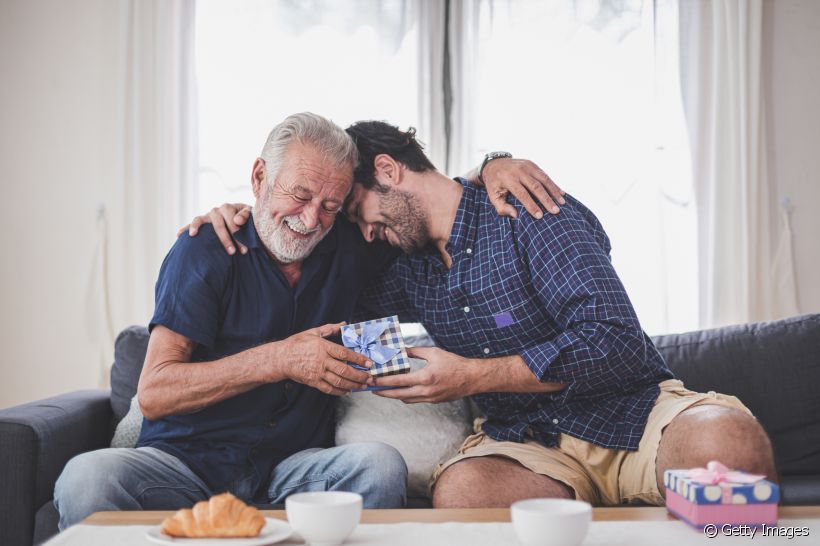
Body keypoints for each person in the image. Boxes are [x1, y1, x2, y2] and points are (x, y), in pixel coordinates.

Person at [202, 120, 777, 509]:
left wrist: (471, 375)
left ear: (390, 169)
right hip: (526, 447)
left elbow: (614, 342)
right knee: (463, 496)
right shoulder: (403, 269)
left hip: (631, 413)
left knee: (730, 448)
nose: (363, 231)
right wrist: (245, 217)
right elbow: (303, 254)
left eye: (358, 210)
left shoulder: (525, 208)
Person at [53, 113, 565, 529]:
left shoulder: (347, 246)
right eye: (298, 195)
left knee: (378, 465)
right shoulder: (205, 250)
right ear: (259, 178)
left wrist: (493, 166)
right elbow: (157, 392)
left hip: (291, 473)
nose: (310, 219)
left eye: (330, 205)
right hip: (184, 466)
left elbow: (420, 203)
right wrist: (280, 359)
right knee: (86, 479)